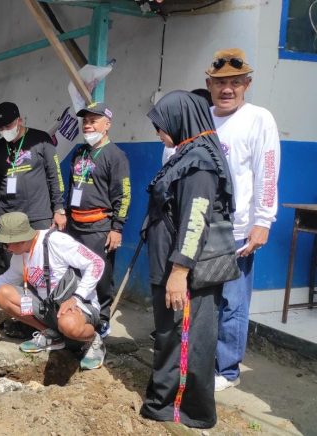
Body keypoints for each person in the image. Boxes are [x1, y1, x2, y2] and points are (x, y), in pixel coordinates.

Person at [140, 91, 235, 429]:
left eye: (161, 125)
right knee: (169, 334)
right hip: (170, 265)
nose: (158, 133)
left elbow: (196, 219)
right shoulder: (186, 155)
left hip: (186, 272)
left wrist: (179, 271)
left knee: (186, 339)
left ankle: (182, 410)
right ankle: (162, 399)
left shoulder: (200, 162)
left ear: (181, 120)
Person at [205, 48, 280, 392]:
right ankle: (202, 359)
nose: (227, 89)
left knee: (233, 303)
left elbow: (267, 172)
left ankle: (227, 370)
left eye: (235, 82)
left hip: (237, 233)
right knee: (204, 300)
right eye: (221, 83)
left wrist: (262, 221)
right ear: (209, 84)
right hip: (202, 230)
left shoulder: (259, 118)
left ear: (247, 84)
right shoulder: (203, 118)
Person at [0, 212, 107, 370]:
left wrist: (77, 297)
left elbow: (96, 263)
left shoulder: (56, 241)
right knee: (3, 294)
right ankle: (51, 335)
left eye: (6, 244)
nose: (6, 249)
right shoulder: (19, 254)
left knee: (69, 324)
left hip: (77, 306)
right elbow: (6, 278)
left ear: (21, 240)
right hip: (48, 307)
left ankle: (93, 340)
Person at [67, 102, 130, 338]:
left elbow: (123, 195)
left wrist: (117, 228)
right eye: (85, 121)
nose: (88, 125)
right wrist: (63, 214)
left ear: (107, 124)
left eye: (94, 120)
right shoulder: (79, 152)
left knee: (101, 275)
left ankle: (102, 318)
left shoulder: (116, 156)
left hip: (99, 226)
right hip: (74, 224)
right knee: (75, 272)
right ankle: (78, 313)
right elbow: (72, 186)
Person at [0, 102, 66, 245]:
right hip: (9, 218)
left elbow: (55, 175)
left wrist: (59, 209)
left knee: (39, 262)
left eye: (8, 126)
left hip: (38, 216)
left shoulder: (41, 139)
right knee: (13, 263)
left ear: (19, 121)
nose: (4, 130)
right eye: (0, 128)